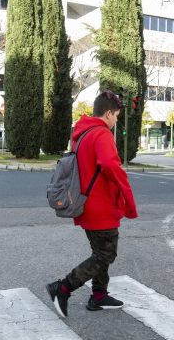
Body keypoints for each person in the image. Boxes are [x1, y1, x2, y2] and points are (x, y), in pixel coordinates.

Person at [46, 90, 138, 317]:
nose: (116, 121)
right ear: (108, 114)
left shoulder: (83, 133)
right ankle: (63, 288)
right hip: (101, 206)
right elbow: (109, 165)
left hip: (86, 204)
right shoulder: (102, 134)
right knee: (106, 255)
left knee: (100, 252)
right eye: (116, 116)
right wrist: (127, 196)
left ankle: (99, 296)